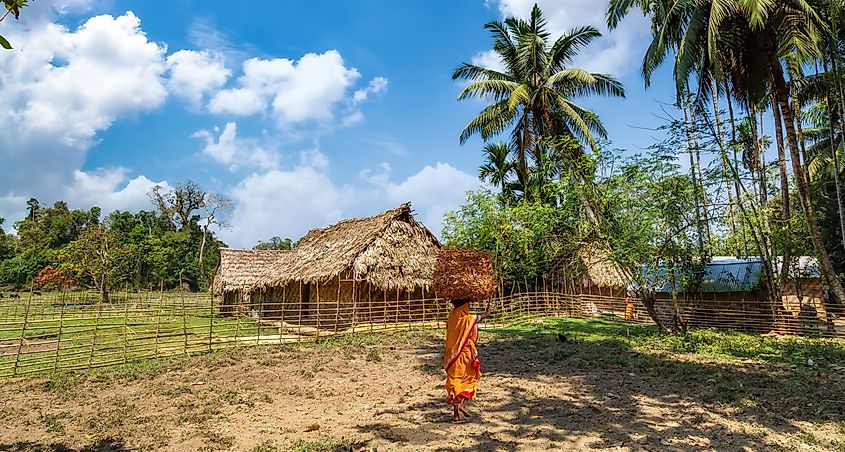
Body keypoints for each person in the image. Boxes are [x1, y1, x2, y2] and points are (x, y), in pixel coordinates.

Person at [444, 298, 491, 423]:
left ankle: (456, 415)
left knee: (454, 382)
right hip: (464, 354)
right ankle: (462, 405)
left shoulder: (451, 318)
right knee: (469, 378)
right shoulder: (467, 319)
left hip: (451, 355)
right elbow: (480, 318)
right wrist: (488, 312)